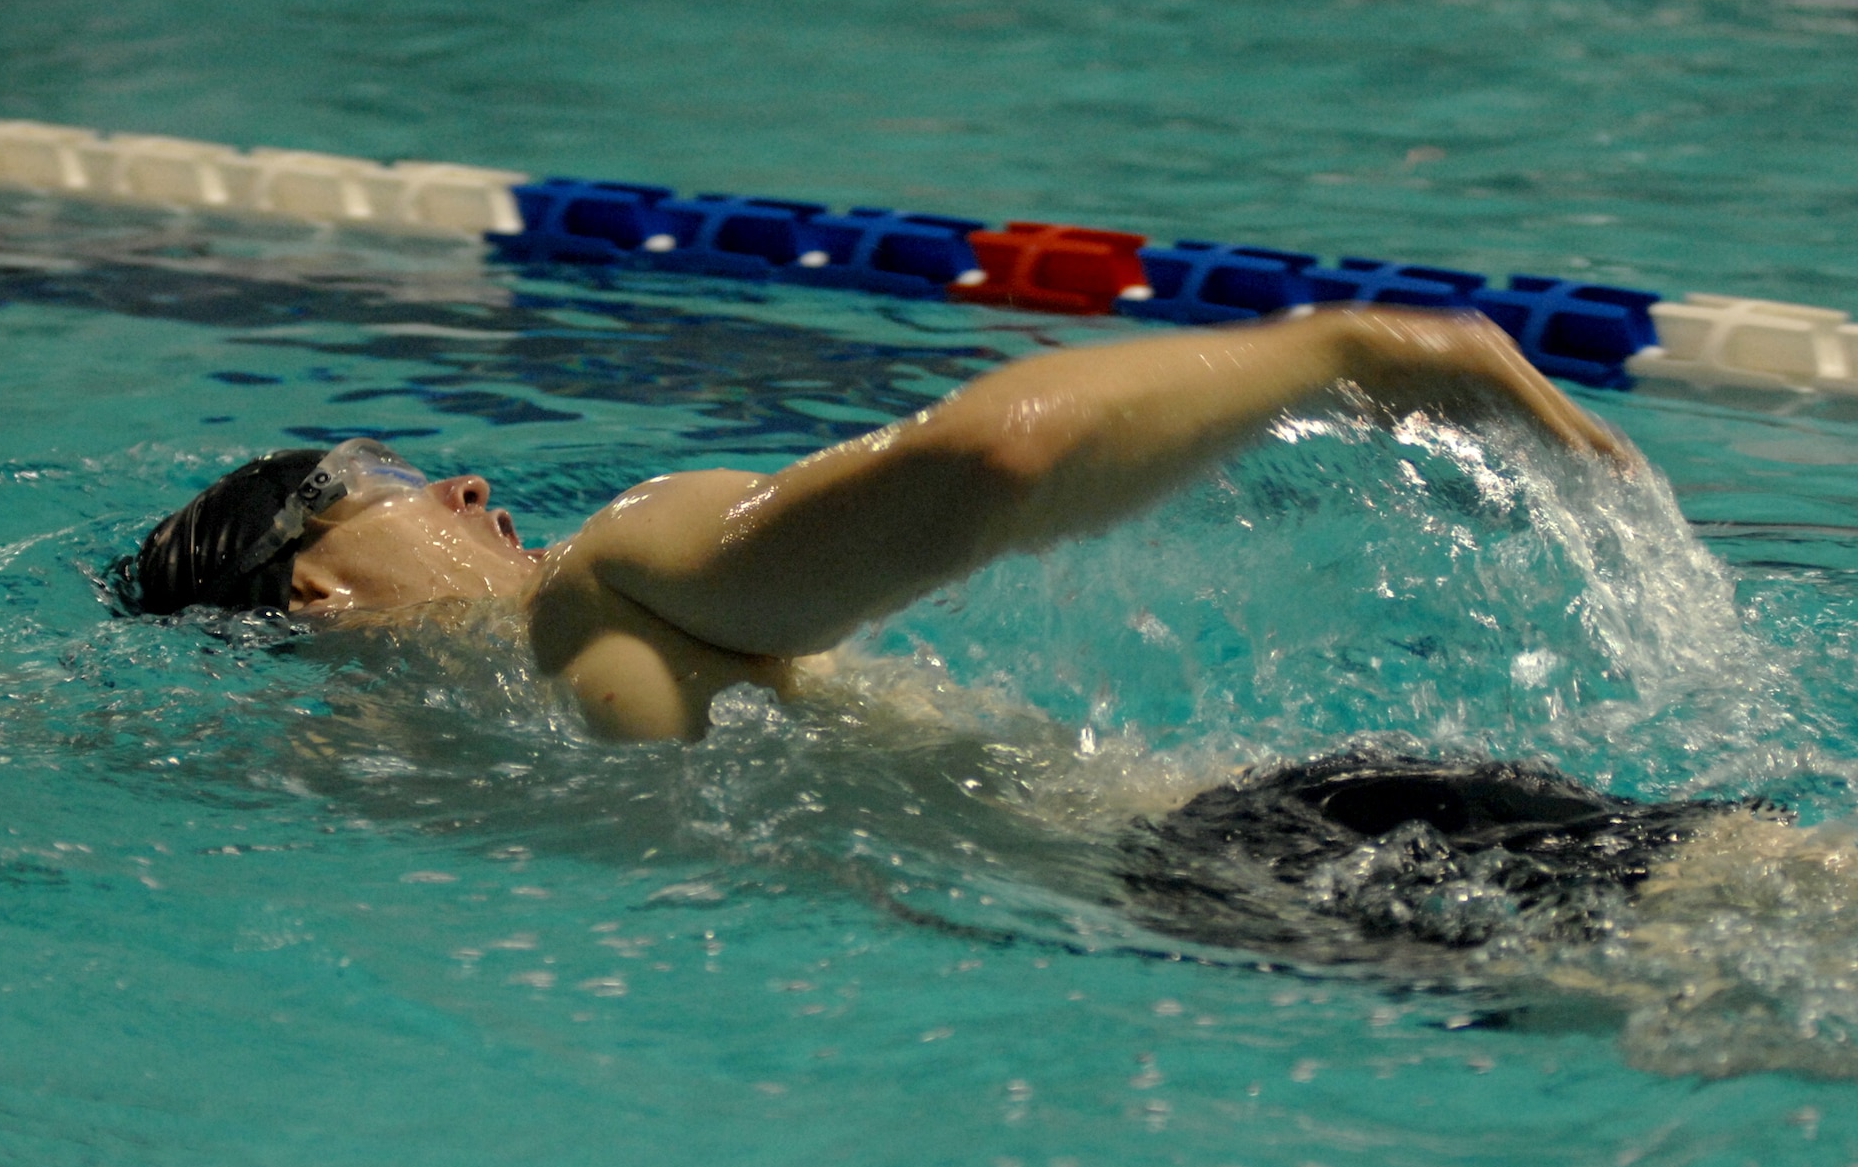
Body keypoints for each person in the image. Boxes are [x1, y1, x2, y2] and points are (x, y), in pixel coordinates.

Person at [135, 306, 1629, 742]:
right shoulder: (607, 576)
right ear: (314, 589)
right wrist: (1338, 352)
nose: (457, 484)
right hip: (1289, 867)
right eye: (371, 475)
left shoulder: (383, 769)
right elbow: (998, 452)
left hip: (1239, 904)